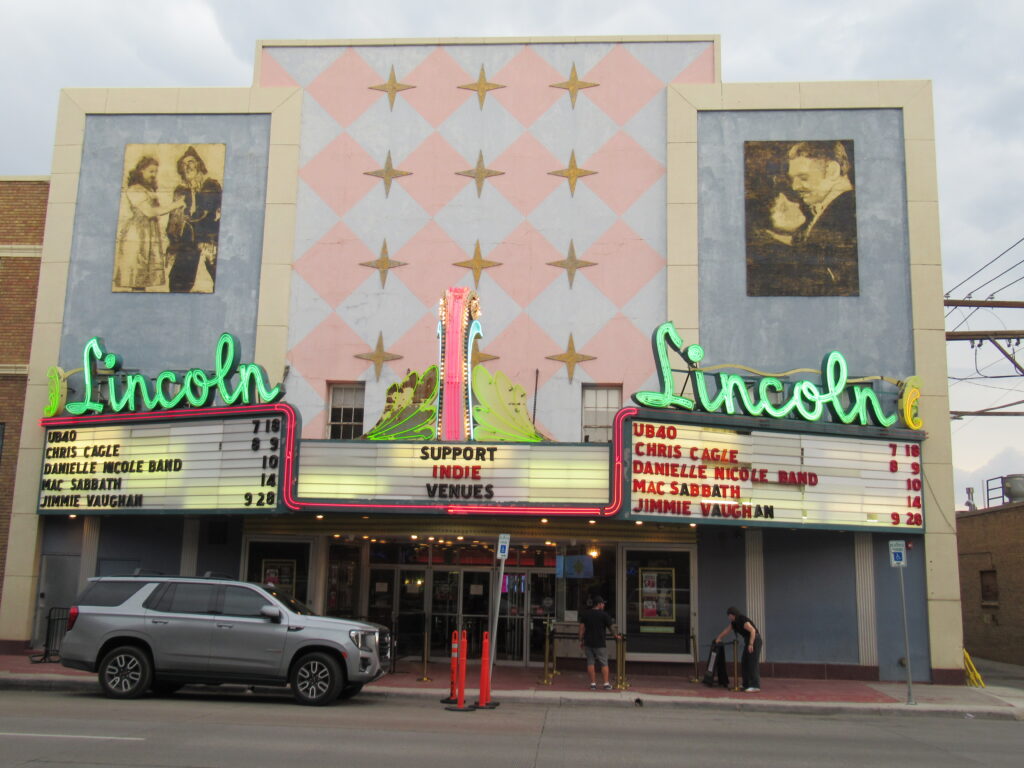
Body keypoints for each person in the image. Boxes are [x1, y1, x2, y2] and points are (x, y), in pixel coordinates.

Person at [113, 157, 183, 291]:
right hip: (137, 236)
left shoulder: (147, 190)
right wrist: (175, 205)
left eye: (155, 172)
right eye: (151, 171)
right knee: (137, 275)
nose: (154, 175)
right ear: (141, 171)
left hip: (148, 234)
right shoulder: (135, 189)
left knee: (143, 277)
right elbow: (150, 212)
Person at [166, 146, 222, 293]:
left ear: (198, 164)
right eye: (184, 164)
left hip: (209, 238)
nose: (187, 166)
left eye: (191, 162)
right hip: (188, 239)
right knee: (177, 283)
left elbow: (207, 211)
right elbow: (174, 220)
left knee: (219, 276)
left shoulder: (211, 185)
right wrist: (172, 243)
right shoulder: (180, 190)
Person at [714, 606, 762, 692]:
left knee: (752, 662)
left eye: (729, 616)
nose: (728, 618)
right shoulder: (734, 623)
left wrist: (751, 644)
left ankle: (755, 685)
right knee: (745, 662)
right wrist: (719, 638)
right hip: (748, 640)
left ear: (732, 615)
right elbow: (726, 630)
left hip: (754, 640)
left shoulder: (741, 620)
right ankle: (746, 684)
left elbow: (753, 631)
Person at [578, 596, 620, 690]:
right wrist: (616, 636)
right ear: (599, 604)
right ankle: (606, 683)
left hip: (588, 641)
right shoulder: (604, 615)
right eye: (603, 603)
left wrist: (581, 640)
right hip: (600, 642)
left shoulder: (586, 614)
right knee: (604, 663)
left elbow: (581, 628)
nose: (604, 605)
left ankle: (593, 684)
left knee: (590, 662)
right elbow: (611, 628)